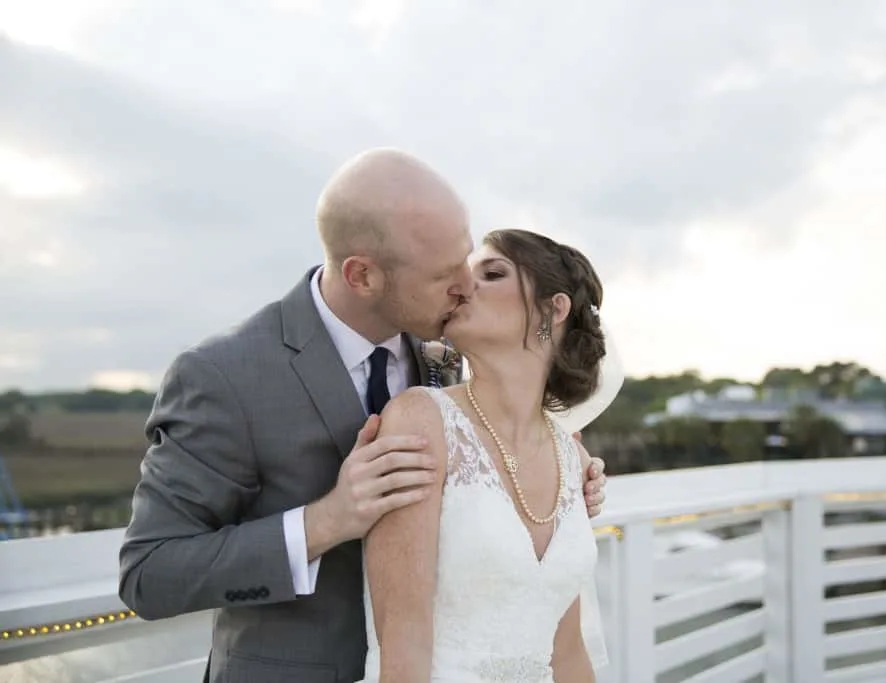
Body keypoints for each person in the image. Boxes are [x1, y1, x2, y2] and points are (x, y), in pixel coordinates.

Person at [117, 149, 609, 683]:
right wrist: (326, 520)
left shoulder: (441, 358)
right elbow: (149, 573)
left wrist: (557, 486)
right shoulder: (223, 376)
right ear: (363, 276)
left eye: (470, 263)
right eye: (447, 274)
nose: (465, 287)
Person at [362, 228, 608, 682]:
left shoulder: (571, 457)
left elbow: (567, 650)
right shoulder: (422, 421)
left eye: (492, 273)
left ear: (554, 310)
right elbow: (403, 643)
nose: (462, 286)